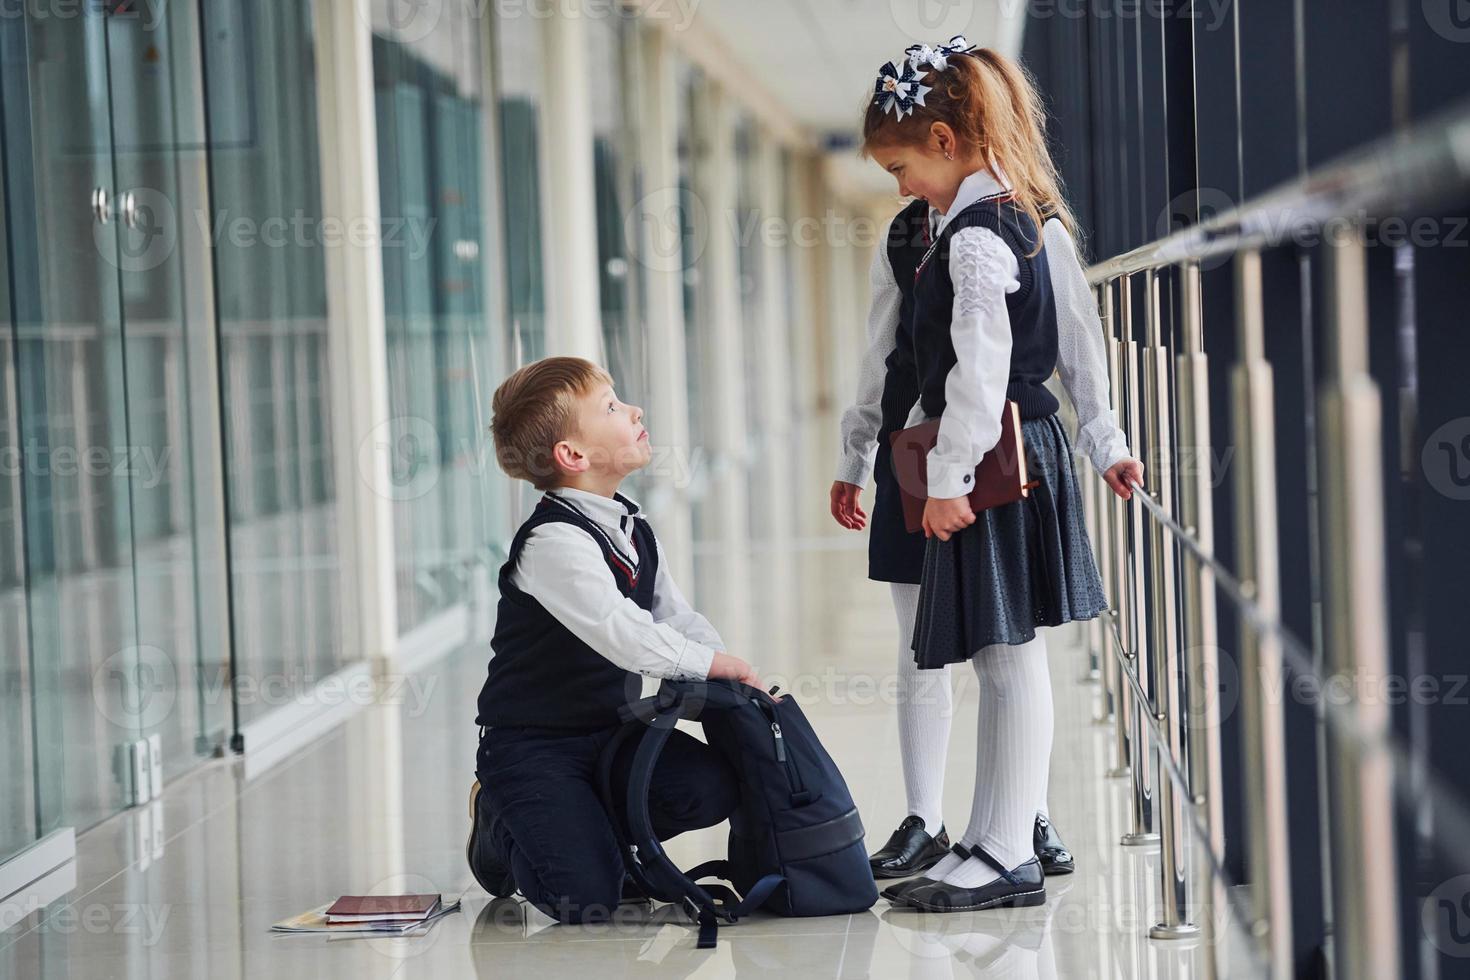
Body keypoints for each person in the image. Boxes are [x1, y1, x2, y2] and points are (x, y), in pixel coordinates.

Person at [844, 37, 1144, 912]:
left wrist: (944, 480)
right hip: (1001, 448)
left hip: (995, 454)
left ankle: (1009, 847)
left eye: (900, 166)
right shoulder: (977, 222)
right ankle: (988, 833)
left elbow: (982, 372)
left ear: (943, 140)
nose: (898, 187)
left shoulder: (983, 236)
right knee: (998, 651)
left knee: (1007, 657)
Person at [466, 356, 764, 923]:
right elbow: (625, 635)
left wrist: (729, 672)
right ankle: (498, 823)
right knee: (587, 900)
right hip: (534, 746)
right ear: (572, 456)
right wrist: (711, 665)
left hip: (612, 730)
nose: (634, 410)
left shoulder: (631, 524)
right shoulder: (553, 541)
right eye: (610, 406)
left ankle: (586, 828)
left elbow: (673, 615)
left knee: (710, 786)